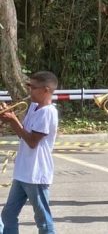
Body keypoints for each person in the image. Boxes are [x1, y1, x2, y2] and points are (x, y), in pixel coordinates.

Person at [0, 71, 59, 234]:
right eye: (29, 86)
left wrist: (13, 120)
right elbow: (23, 133)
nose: (29, 90)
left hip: (36, 173)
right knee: (8, 216)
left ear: (46, 90)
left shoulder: (48, 112)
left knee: (43, 221)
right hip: (23, 172)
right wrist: (9, 120)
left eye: (33, 87)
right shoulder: (33, 106)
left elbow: (32, 141)